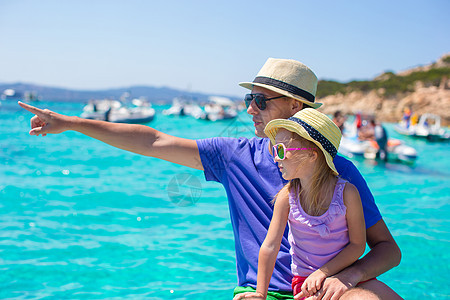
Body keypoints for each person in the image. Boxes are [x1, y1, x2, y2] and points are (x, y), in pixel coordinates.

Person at [18, 58, 402, 299]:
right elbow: (155, 139)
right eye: (248, 99)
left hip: (326, 287)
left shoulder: (341, 174)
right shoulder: (234, 155)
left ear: (295, 108)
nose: (249, 109)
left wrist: (349, 277)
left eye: (260, 101)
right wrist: (69, 123)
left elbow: (386, 248)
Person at [234, 109, 366, 300]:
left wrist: (323, 272)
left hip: (343, 277)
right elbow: (270, 247)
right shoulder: (287, 197)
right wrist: (260, 294)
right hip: (306, 285)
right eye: (274, 149)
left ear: (312, 155)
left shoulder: (347, 193)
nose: (275, 158)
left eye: (281, 150)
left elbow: (357, 245)